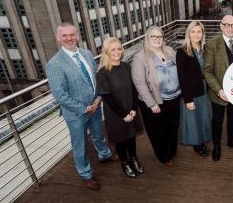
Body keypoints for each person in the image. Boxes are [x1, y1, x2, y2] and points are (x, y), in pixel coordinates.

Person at [46, 23, 115, 190]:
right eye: (65, 35)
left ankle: (104, 155)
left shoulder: (87, 53)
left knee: (99, 134)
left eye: (72, 35)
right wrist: (83, 108)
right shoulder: (54, 64)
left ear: (77, 36)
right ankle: (86, 174)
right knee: (80, 144)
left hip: (95, 106)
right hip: (75, 113)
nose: (69, 38)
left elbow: (94, 79)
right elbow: (60, 95)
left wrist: (98, 98)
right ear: (58, 38)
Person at [131, 26, 181, 167]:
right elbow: (139, 83)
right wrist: (151, 104)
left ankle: (172, 150)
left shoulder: (170, 51)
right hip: (155, 102)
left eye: (160, 37)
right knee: (158, 131)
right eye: (154, 37)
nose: (157, 39)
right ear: (147, 39)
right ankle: (164, 156)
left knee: (173, 127)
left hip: (174, 98)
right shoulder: (140, 57)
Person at [96, 37, 144, 178]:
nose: (117, 52)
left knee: (131, 136)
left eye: (119, 48)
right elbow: (108, 98)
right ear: (106, 52)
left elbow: (135, 89)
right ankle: (125, 163)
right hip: (116, 113)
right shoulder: (102, 73)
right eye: (113, 49)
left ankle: (134, 159)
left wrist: (134, 109)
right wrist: (124, 114)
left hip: (131, 109)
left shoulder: (126, 66)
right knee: (121, 139)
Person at [204, 15, 233, 161]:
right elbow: (208, 71)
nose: (230, 28)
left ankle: (231, 141)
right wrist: (219, 90)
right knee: (217, 120)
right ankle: (217, 145)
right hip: (219, 92)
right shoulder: (212, 43)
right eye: (227, 25)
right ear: (221, 26)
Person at [176, 21, 212, 157]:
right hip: (191, 92)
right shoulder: (182, 51)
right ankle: (197, 145)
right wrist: (188, 99)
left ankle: (202, 140)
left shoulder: (205, 49)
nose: (196, 34)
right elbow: (182, 78)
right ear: (188, 33)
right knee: (193, 119)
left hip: (204, 90)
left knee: (203, 117)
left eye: (199, 31)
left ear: (203, 33)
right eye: (193, 31)